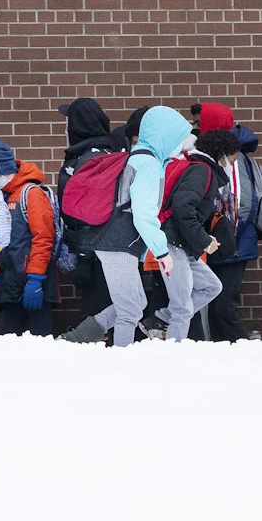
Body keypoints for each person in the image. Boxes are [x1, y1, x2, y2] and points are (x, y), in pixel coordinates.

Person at [60, 106, 188, 346]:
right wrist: (161, 251)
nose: (179, 145)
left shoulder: (138, 157)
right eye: (176, 138)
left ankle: (81, 336)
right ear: (164, 136)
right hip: (119, 241)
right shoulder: (148, 164)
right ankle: (121, 361)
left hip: (115, 240)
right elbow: (143, 213)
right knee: (129, 309)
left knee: (135, 303)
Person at [197, 105, 262, 341]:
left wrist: (224, 236)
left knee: (223, 306)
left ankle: (241, 348)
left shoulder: (233, 158)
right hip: (224, 239)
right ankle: (227, 351)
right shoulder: (223, 152)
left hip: (231, 240)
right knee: (215, 305)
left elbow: (241, 202)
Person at [55, 96, 125, 333]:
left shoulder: (90, 160)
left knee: (98, 314)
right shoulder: (99, 153)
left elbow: (89, 212)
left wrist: (83, 253)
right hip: (104, 249)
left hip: (95, 253)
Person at [162, 126, 229, 341]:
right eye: (233, 158)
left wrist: (203, 239)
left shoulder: (200, 168)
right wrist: (204, 240)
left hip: (183, 243)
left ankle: (162, 318)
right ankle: (174, 356)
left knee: (211, 286)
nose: (233, 164)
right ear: (223, 155)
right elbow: (183, 208)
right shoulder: (202, 170)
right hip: (174, 242)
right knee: (182, 307)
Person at [0, 139, 56, 337]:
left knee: (41, 342)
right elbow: (4, 243)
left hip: (33, 282)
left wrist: (36, 280)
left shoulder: (31, 194)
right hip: (10, 283)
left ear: (8, 171)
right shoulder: (2, 197)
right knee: (7, 344)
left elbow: (44, 239)